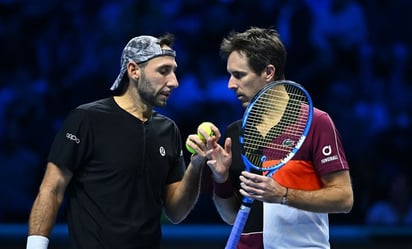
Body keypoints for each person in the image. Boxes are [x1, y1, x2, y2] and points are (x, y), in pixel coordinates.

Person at [26, 34, 209, 249]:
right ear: (133, 71)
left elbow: (176, 212)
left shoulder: (168, 130)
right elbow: (52, 189)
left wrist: (196, 166)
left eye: (174, 71)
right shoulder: (86, 119)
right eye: (163, 71)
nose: (174, 81)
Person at [200, 27, 354, 248]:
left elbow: (344, 199)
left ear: (268, 72)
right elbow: (233, 217)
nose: (230, 85)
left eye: (239, 75)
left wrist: (283, 195)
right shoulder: (236, 133)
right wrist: (221, 179)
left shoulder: (315, 122)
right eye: (230, 75)